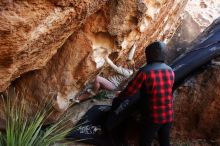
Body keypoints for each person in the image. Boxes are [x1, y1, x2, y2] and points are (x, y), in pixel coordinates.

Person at [115, 41, 175, 146]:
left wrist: (119, 96)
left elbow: (130, 91)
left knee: (145, 142)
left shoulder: (145, 72)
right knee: (165, 141)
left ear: (149, 54)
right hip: (168, 114)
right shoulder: (170, 70)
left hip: (153, 117)